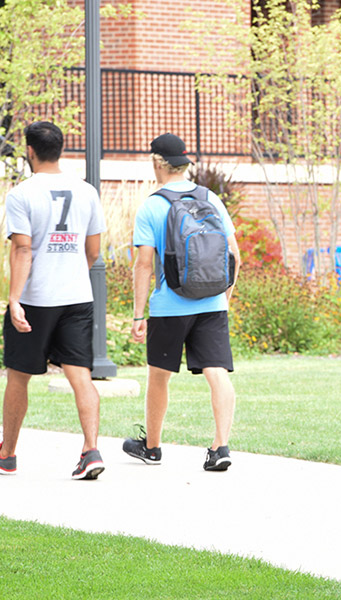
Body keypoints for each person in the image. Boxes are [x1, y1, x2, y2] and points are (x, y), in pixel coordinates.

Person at [123, 133, 240, 471]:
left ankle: (153, 447)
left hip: (169, 306)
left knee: (159, 375)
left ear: (158, 163)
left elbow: (144, 264)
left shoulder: (152, 205)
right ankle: (221, 447)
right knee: (217, 373)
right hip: (213, 302)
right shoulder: (211, 199)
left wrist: (137, 314)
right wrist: (224, 300)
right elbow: (235, 256)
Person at [0, 121, 106, 479]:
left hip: (36, 299)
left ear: (30, 151)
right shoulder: (87, 191)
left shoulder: (21, 194)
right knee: (81, 375)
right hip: (77, 297)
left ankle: (8, 455)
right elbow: (93, 251)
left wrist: (14, 300)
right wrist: (71, 273)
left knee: (18, 377)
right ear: (60, 149)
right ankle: (91, 450)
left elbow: (23, 248)